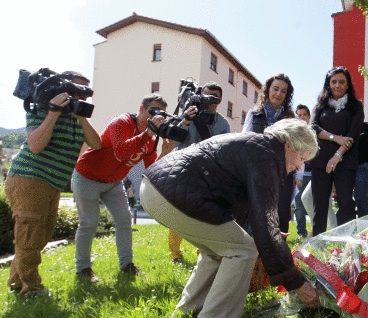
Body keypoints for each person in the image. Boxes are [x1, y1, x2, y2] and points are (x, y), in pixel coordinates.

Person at [140, 118, 320, 318]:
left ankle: (190, 311)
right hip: (174, 194)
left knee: (219, 251)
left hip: (156, 189)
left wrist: (268, 240)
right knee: (243, 250)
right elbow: (266, 222)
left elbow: (248, 216)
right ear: (290, 144)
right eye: (302, 157)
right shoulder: (267, 155)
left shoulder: (256, 146)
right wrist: (297, 282)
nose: (299, 165)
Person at [6, 71, 101, 297]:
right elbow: (36, 145)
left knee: (39, 236)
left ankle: (15, 282)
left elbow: (96, 144)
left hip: (51, 184)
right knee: (30, 235)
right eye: (77, 91)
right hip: (30, 178)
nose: (82, 97)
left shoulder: (78, 119)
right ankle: (32, 289)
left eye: (85, 93)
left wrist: (80, 116)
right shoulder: (40, 108)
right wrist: (53, 113)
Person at [71, 94, 168, 282]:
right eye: (152, 111)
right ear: (141, 109)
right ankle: (83, 269)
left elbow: (152, 168)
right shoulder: (121, 123)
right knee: (89, 223)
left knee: (124, 221)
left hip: (113, 182)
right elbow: (122, 152)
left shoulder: (151, 138)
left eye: (160, 113)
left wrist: (165, 150)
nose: (155, 116)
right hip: (87, 176)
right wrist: (148, 133)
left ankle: (127, 265)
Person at [164, 82, 231, 263]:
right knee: (177, 213)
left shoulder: (223, 123)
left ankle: (202, 253)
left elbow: (222, 152)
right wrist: (185, 120)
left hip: (206, 173)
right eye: (206, 96)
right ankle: (175, 254)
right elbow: (172, 141)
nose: (210, 102)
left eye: (214, 98)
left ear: (220, 101)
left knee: (203, 214)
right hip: (182, 169)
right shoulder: (188, 114)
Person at [311, 66, 364, 236]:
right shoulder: (320, 105)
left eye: (342, 81)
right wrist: (335, 137)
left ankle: (347, 245)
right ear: (328, 85)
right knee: (319, 205)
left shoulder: (356, 106)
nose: (337, 85)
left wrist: (337, 155)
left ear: (348, 85)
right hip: (320, 162)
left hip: (345, 162)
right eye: (333, 82)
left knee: (346, 203)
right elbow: (312, 127)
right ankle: (315, 246)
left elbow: (352, 135)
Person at [243, 73, 295, 234]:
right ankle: (255, 253)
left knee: (281, 213)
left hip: (283, 174)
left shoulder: (290, 118)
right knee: (257, 212)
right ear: (267, 90)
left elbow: (294, 147)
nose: (279, 94)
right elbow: (245, 140)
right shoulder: (254, 114)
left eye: (283, 91)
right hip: (258, 171)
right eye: (276, 89)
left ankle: (279, 253)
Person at [293, 104, 312, 237]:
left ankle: (316, 231)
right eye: (298, 115)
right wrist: (297, 175)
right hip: (300, 175)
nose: (301, 118)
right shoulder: (294, 134)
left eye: (304, 115)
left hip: (314, 175)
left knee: (313, 204)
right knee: (299, 205)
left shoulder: (313, 132)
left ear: (309, 117)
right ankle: (301, 232)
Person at [354, 122, 368, 217]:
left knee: (361, 197)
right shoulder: (344, 124)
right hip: (345, 166)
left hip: (360, 165)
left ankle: (365, 225)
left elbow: (360, 140)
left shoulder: (365, 126)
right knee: (345, 199)